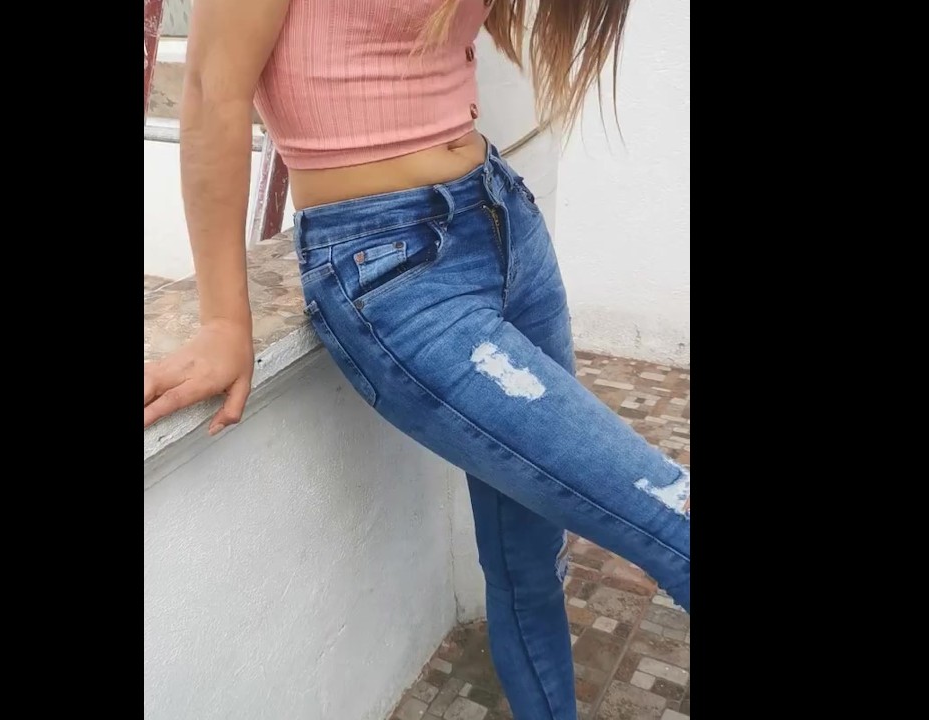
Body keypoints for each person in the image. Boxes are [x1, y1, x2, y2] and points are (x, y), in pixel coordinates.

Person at [141, 1, 689, 717]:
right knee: (672, 520)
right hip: (392, 267)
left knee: (531, 558)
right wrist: (222, 320)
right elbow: (212, 90)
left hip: (503, 217)